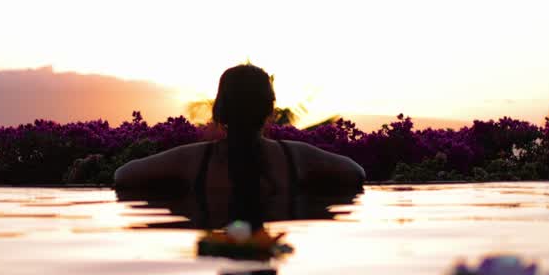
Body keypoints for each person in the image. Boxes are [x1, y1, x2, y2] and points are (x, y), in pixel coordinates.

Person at [113, 65, 365, 210]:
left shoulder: (193, 160)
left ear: (219, 109)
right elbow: (356, 173)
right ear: (269, 110)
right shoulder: (294, 156)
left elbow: (122, 175)